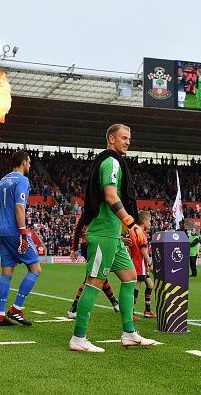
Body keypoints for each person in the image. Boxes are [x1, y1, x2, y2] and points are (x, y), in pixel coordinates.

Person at [69, 124, 156, 352]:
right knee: (94, 283)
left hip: (114, 237)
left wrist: (122, 231)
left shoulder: (114, 161)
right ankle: (78, 338)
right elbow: (110, 196)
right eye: (124, 138)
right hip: (103, 236)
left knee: (129, 278)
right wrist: (131, 224)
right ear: (111, 138)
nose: (128, 142)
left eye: (129, 138)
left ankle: (129, 333)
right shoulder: (111, 162)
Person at [0, 151, 41, 327]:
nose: (29, 165)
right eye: (29, 162)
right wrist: (23, 233)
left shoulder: (3, 180)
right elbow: (19, 208)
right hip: (14, 231)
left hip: (2, 231)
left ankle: (0, 315)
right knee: (35, 269)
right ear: (23, 162)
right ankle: (16, 308)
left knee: (7, 273)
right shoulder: (22, 180)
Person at [67, 216, 121, 319]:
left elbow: (78, 228)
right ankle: (74, 309)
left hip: (90, 242)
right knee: (92, 276)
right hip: (96, 242)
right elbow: (78, 227)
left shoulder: (92, 207)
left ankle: (114, 302)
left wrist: (74, 248)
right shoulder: (99, 207)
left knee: (99, 275)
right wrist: (74, 248)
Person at [129, 210, 156, 319]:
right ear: (144, 221)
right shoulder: (141, 233)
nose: (150, 223)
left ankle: (147, 311)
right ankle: (131, 311)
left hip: (137, 262)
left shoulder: (134, 230)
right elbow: (143, 251)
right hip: (140, 264)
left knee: (150, 285)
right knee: (137, 286)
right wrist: (150, 264)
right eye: (149, 221)